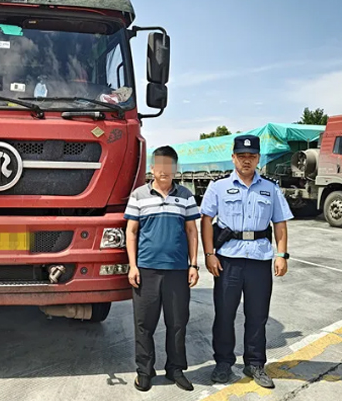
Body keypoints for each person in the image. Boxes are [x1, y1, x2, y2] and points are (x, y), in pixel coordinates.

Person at [200, 135, 292, 389]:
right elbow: (206, 220)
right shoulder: (218, 187)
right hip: (228, 260)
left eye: (251, 156)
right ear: (233, 158)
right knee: (224, 314)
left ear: (258, 158)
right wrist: (209, 254)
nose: (246, 160)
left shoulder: (270, 188)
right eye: (242, 156)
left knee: (257, 315)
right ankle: (223, 363)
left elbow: (280, 223)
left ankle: (255, 364)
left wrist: (282, 254)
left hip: (259, 260)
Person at [124, 146, 200, 392]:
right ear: (152, 168)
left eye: (169, 166)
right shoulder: (139, 195)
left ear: (175, 169)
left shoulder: (186, 195)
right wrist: (133, 266)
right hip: (146, 270)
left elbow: (192, 231)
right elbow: (131, 232)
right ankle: (144, 371)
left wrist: (193, 264)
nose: (164, 170)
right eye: (160, 165)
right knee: (144, 324)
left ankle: (175, 369)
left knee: (177, 323)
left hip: (177, 270)